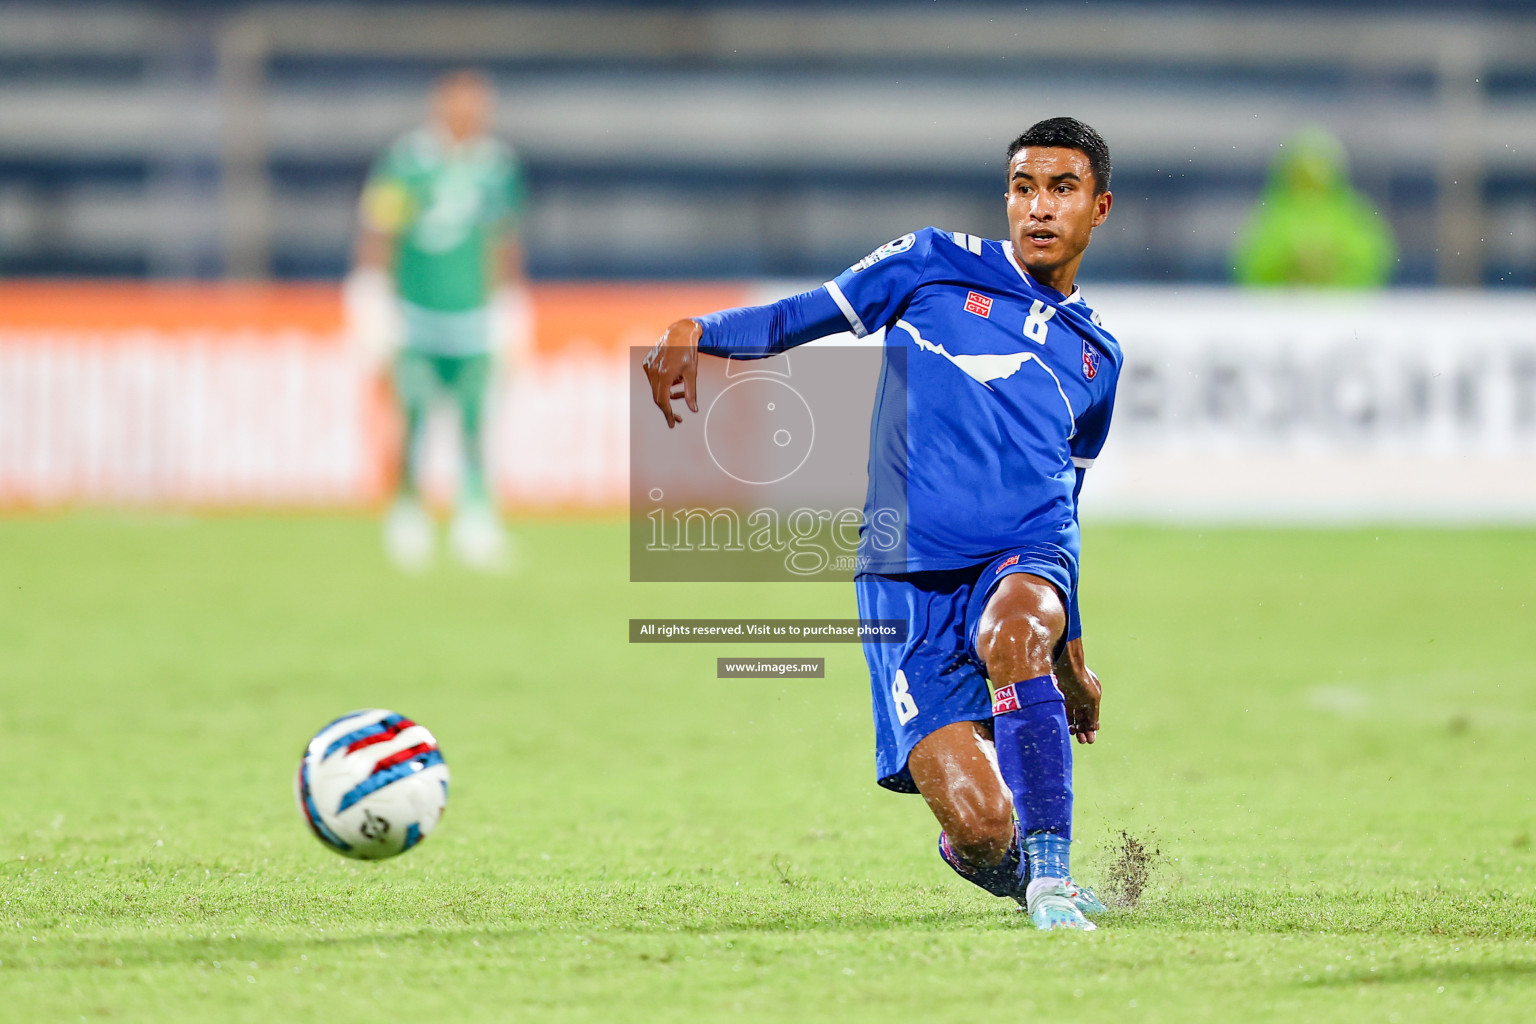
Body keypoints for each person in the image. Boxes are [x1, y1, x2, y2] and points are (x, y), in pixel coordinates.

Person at [643, 117, 1121, 930]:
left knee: (1014, 635)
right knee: (978, 828)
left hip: (1024, 552)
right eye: (1024, 188)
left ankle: (1052, 875)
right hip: (904, 574)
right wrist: (701, 331)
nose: (1039, 208)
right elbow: (809, 314)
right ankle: (1000, 859)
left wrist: (1069, 647)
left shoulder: (1097, 357)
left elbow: (1067, 505)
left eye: (1062, 190)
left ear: (1099, 208)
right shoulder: (931, 263)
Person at [345, 69, 532, 571]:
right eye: (462, 105)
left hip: (472, 316)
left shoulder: (496, 166)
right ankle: (407, 511)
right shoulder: (407, 163)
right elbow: (379, 228)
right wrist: (370, 291)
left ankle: (475, 514)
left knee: (476, 418)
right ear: (440, 107)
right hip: (416, 315)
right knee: (413, 414)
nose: (472, 116)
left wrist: (511, 301)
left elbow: (503, 238)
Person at [1233, 127, 1397, 288]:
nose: (1311, 180)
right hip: (1282, 310)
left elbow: (1376, 259)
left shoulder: (1351, 212)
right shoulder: (1272, 213)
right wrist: (1290, 261)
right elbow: (1248, 263)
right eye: (1301, 173)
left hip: (1342, 310)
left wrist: (1334, 260)